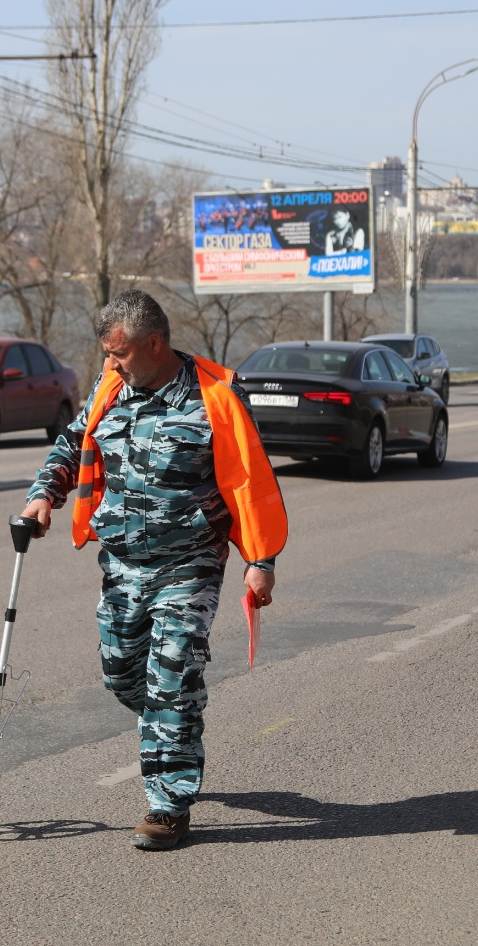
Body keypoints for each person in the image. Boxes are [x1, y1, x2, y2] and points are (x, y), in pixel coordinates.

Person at [20, 290, 288, 851]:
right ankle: (177, 720)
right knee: (123, 676)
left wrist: (259, 560)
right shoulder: (111, 387)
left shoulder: (216, 394)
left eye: (119, 354)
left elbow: (249, 479)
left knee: (170, 675)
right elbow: (74, 443)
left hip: (189, 562)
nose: (109, 364)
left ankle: (168, 805)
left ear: (154, 343)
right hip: (122, 561)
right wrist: (44, 495)